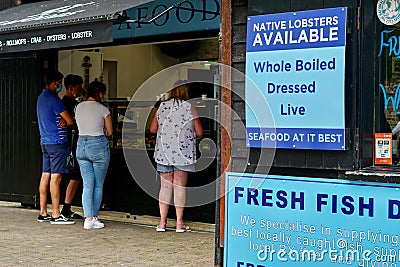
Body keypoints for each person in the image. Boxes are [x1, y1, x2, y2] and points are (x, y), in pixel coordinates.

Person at [150, 80, 203, 233]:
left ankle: (162, 223)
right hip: (183, 153)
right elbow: (199, 132)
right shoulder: (189, 107)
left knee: (165, 187)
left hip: (164, 152)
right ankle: (179, 223)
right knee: (179, 186)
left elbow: (153, 128)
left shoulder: (162, 106)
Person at [36, 70, 75, 225]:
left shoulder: (41, 98)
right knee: (56, 177)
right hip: (57, 143)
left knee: (45, 175)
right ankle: (56, 214)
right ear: (55, 82)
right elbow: (70, 120)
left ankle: (43, 212)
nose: (60, 85)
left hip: (45, 141)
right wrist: (66, 121)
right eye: (59, 82)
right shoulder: (54, 99)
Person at [75, 81, 112, 229]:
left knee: (87, 184)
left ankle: (87, 217)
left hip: (81, 144)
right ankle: (94, 217)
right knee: (98, 185)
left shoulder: (78, 107)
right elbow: (109, 131)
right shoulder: (103, 109)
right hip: (98, 146)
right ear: (100, 93)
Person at [60, 74, 84, 219]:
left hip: (72, 143)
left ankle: (66, 207)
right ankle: (66, 207)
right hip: (72, 143)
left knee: (76, 177)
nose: (80, 90)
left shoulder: (69, 103)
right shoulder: (69, 104)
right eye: (79, 87)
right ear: (71, 88)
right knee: (75, 176)